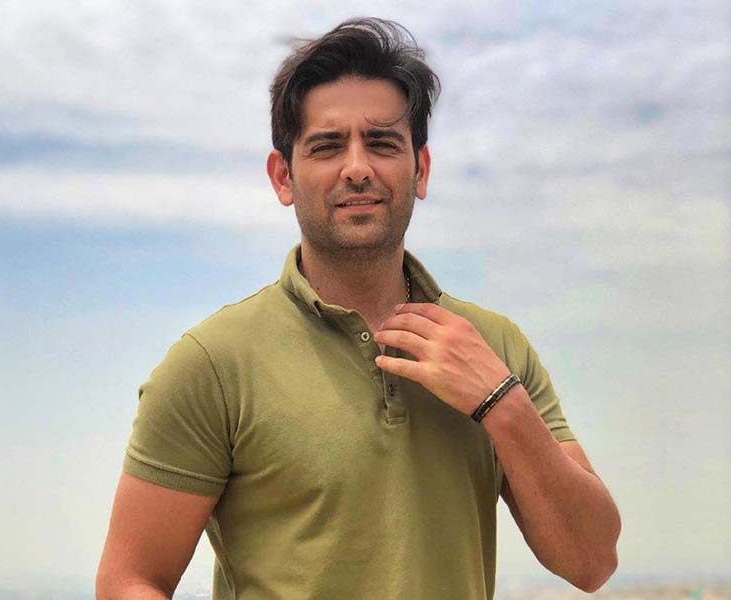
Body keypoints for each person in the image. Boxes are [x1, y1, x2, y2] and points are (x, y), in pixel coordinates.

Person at [96, 17, 621, 600]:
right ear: (283, 177)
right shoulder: (213, 363)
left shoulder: (494, 346)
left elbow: (591, 561)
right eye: (326, 146)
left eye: (382, 143)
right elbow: (129, 581)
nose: (357, 168)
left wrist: (500, 401)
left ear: (420, 169)